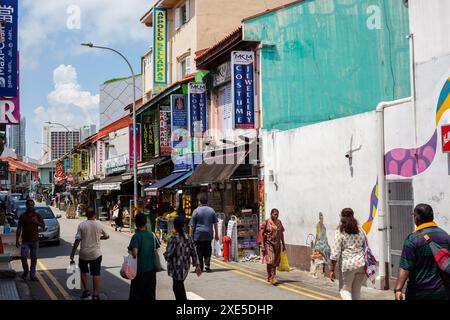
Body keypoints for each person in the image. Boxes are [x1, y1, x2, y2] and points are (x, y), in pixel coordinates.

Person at [394, 203, 450, 300]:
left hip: (418, 293)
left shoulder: (412, 239)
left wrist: (398, 289)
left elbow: (405, 267)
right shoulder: (445, 236)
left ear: (416, 217)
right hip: (442, 292)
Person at [70, 208, 110, 300]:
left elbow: (77, 240)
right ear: (94, 215)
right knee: (96, 273)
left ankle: (86, 290)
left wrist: (72, 252)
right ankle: (95, 294)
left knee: (83, 272)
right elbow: (106, 236)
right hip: (96, 254)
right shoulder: (99, 224)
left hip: (84, 254)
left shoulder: (82, 225)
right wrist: (100, 238)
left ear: (86, 215)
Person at [329, 208, 367, 300]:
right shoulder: (360, 230)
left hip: (348, 265)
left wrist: (332, 270)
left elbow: (335, 252)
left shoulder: (340, 231)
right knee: (356, 291)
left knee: (344, 290)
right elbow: (365, 246)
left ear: (342, 218)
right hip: (361, 263)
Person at [164, 216, 202, 300]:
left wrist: (165, 256)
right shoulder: (188, 237)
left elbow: (168, 253)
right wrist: (197, 265)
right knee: (178, 286)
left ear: (174, 226)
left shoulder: (173, 238)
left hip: (176, 267)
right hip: (185, 267)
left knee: (178, 288)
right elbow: (194, 252)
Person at [128, 213, 159, 300]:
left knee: (137, 295)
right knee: (150, 295)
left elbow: (135, 253)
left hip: (139, 271)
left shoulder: (136, 236)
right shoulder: (152, 235)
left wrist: (129, 251)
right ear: (145, 223)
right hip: (151, 271)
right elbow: (156, 247)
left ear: (135, 223)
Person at [16, 199, 45, 281]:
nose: (31, 206)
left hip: (35, 241)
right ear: (26, 206)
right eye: (29, 205)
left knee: (34, 258)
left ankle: (32, 275)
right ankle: (25, 272)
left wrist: (36, 222)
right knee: (23, 257)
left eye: (32, 205)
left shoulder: (37, 215)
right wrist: (17, 240)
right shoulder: (22, 216)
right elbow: (19, 228)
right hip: (25, 241)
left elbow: (43, 225)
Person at [189, 193, 219, 273]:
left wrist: (190, 236)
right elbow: (215, 223)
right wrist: (216, 234)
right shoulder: (211, 210)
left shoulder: (196, 211)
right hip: (208, 234)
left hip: (198, 235)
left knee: (199, 251)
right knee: (208, 249)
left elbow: (192, 226)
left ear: (199, 202)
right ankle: (207, 265)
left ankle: (200, 267)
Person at [261, 208, 286, 285]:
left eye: (277, 214)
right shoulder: (266, 222)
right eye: (275, 214)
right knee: (271, 260)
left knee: (273, 261)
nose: (276, 215)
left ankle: (269, 276)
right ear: (271, 214)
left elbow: (281, 233)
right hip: (269, 244)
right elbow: (261, 233)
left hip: (277, 244)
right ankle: (273, 277)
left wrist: (283, 244)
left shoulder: (279, 222)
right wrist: (262, 245)